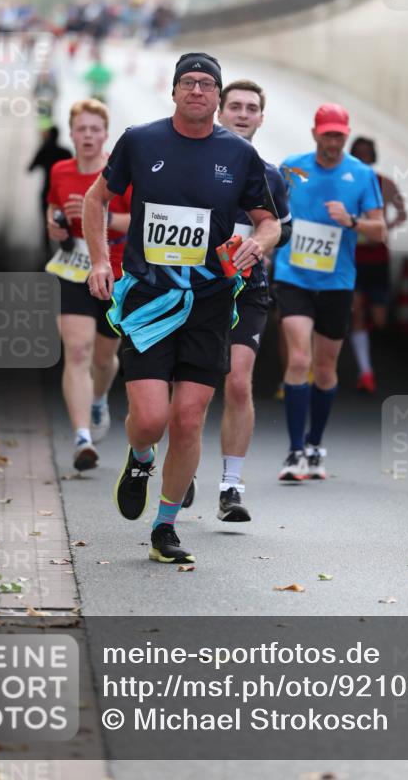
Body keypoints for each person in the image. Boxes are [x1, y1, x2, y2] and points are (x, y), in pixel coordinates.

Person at [83, 52, 280, 564]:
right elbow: (95, 199)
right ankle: (141, 456)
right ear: (173, 91)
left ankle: (165, 526)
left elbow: (268, 220)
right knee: (150, 419)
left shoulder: (239, 155)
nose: (198, 91)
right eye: (188, 83)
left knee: (188, 419)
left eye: (207, 84)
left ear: (217, 97)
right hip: (149, 298)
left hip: (209, 303)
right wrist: (101, 260)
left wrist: (259, 242)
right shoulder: (141, 140)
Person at [186, 79, 291, 522]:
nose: (243, 114)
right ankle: (183, 466)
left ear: (261, 118)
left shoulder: (270, 175)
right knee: (191, 387)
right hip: (196, 285)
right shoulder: (191, 163)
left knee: (237, 380)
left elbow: (280, 229)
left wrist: (257, 244)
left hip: (248, 288)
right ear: (220, 111)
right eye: (236, 106)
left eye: (252, 108)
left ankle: (231, 485)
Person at [274, 104, 386, 481]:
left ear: (346, 134)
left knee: (325, 368)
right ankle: (293, 452)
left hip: (337, 282)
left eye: (339, 134)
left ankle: (315, 444)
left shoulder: (361, 174)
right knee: (299, 358)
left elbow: (379, 230)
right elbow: (266, 209)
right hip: (293, 277)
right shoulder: (292, 167)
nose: (333, 141)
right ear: (315, 133)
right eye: (328, 134)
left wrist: (351, 221)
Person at [46, 99, 131, 471]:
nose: (89, 135)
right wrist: (56, 224)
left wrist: (99, 215)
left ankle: (99, 398)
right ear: (72, 133)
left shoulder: (120, 171)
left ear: (105, 134)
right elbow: (53, 208)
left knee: (103, 358)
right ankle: (82, 436)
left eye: (96, 129)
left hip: (116, 272)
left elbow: (140, 221)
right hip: (73, 270)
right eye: (82, 128)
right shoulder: (60, 171)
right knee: (77, 351)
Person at [349, 136, 407, 393]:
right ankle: (366, 372)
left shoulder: (386, 184)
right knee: (357, 311)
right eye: (357, 153)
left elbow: (403, 213)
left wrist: (384, 228)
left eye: (366, 153)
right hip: (351, 258)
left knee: (379, 318)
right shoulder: (345, 183)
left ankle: (365, 337)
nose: (362, 158)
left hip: (378, 259)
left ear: (373, 157)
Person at [28, 125, 72, 255]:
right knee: (64, 223)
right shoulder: (65, 152)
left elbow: (30, 168)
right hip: (62, 194)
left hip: (47, 192)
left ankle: (47, 253)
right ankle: (66, 252)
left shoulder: (44, 151)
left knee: (47, 223)